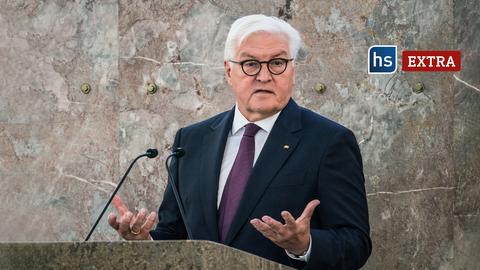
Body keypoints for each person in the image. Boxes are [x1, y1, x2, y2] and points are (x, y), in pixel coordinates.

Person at [108, 14, 371, 269]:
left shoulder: (329, 141)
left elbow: (355, 244)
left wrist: (304, 245)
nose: (264, 76)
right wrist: (145, 242)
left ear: (292, 69)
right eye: (250, 64)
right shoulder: (192, 140)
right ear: (228, 70)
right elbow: (173, 235)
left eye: (277, 62)